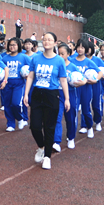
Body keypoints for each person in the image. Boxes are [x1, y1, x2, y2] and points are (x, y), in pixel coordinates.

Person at [23, 32, 69, 170]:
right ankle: (41, 147)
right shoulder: (36, 58)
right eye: (45, 39)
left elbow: (63, 80)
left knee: (49, 127)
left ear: (55, 43)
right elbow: (31, 76)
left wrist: (67, 98)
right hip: (37, 94)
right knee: (35, 126)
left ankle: (47, 157)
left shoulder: (59, 61)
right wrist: (26, 94)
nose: (47, 41)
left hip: (52, 95)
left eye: (50, 40)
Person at [0, 37, 31, 132]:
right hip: (7, 84)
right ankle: (10, 123)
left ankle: (20, 118)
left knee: (16, 103)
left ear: (18, 46)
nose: (12, 47)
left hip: (19, 84)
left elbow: (32, 68)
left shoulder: (24, 57)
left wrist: (28, 75)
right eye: (10, 45)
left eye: (14, 45)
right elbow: (1, 71)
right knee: (7, 104)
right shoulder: (4, 58)